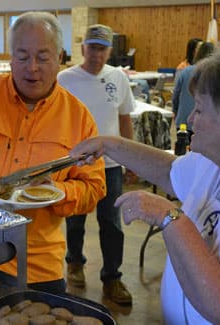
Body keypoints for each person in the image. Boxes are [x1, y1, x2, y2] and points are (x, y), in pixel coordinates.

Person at [70, 42, 220, 324]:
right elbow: (171, 172)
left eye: (199, 109)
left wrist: (170, 218)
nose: (190, 119)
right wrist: (110, 144)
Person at [0, 11, 106, 294]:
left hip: (37, 264)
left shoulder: (78, 119)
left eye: (43, 57)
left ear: (60, 58)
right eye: (22, 57)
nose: (31, 68)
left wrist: (57, 191)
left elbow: (93, 188)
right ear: (10, 57)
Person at [57, 24, 134, 304]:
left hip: (111, 164)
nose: (97, 54)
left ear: (110, 51)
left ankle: (112, 278)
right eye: (92, 48)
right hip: (75, 162)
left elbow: (125, 118)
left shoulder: (118, 77)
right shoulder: (65, 79)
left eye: (102, 49)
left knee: (112, 223)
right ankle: (74, 263)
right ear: (82, 48)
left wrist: (132, 159)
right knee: (74, 217)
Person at [172, 41, 215, 140]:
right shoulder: (216, 75)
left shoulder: (185, 71)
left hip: (183, 119)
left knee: (181, 149)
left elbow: (176, 94)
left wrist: (175, 111)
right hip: (205, 122)